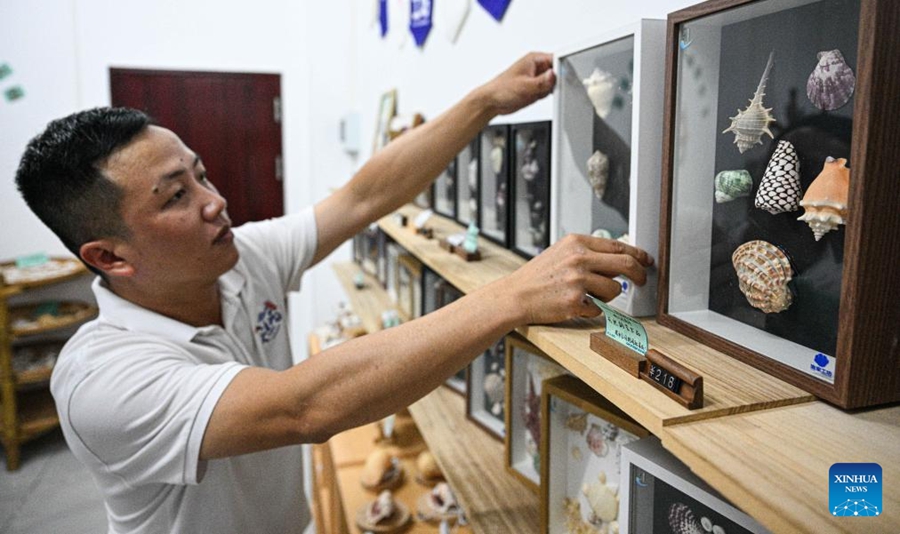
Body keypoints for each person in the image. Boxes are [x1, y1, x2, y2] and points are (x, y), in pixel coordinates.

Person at [15, 52, 653, 533]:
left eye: (201, 174)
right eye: (177, 196)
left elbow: (364, 197)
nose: (216, 203)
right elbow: (305, 409)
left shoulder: (238, 260)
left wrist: (485, 100)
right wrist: (515, 296)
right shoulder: (102, 378)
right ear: (109, 257)